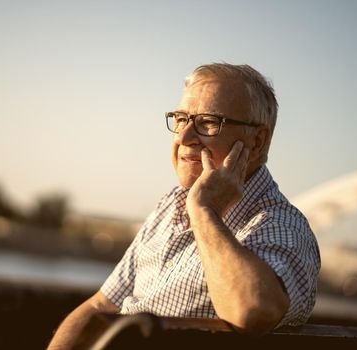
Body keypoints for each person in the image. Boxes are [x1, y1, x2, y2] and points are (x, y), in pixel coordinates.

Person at [48, 63, 320, 348]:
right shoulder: (171, 205)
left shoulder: (281, 225)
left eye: (208, 122)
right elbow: (100, 307)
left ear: (257, 141)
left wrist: (204, 212)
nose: (184, 137)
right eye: (180, 119)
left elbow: (252, 310)